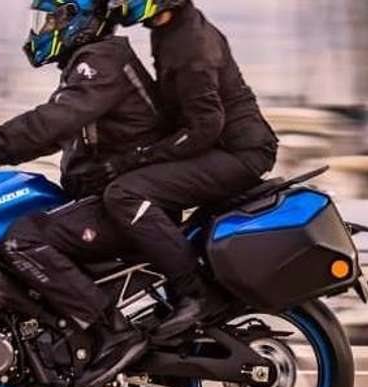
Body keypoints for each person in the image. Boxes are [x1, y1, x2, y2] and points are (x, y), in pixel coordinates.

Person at [0, 0, 167, 387]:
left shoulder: (101, 62)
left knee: (22, 241)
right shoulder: (93, 65)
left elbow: (49, 123)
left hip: (122, 205)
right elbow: (45, 134)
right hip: (109, 199)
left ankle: (112, 333)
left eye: (51, 19)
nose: (43, 29)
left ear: (78, 18)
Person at [91, 0, 279, 340]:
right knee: (145, 187)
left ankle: (195, 294)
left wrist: (141, 156)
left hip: (238, 153)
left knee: (126, 193)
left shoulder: (190, 45)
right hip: (224, 146)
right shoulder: (169, 26)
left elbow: (205, 126)